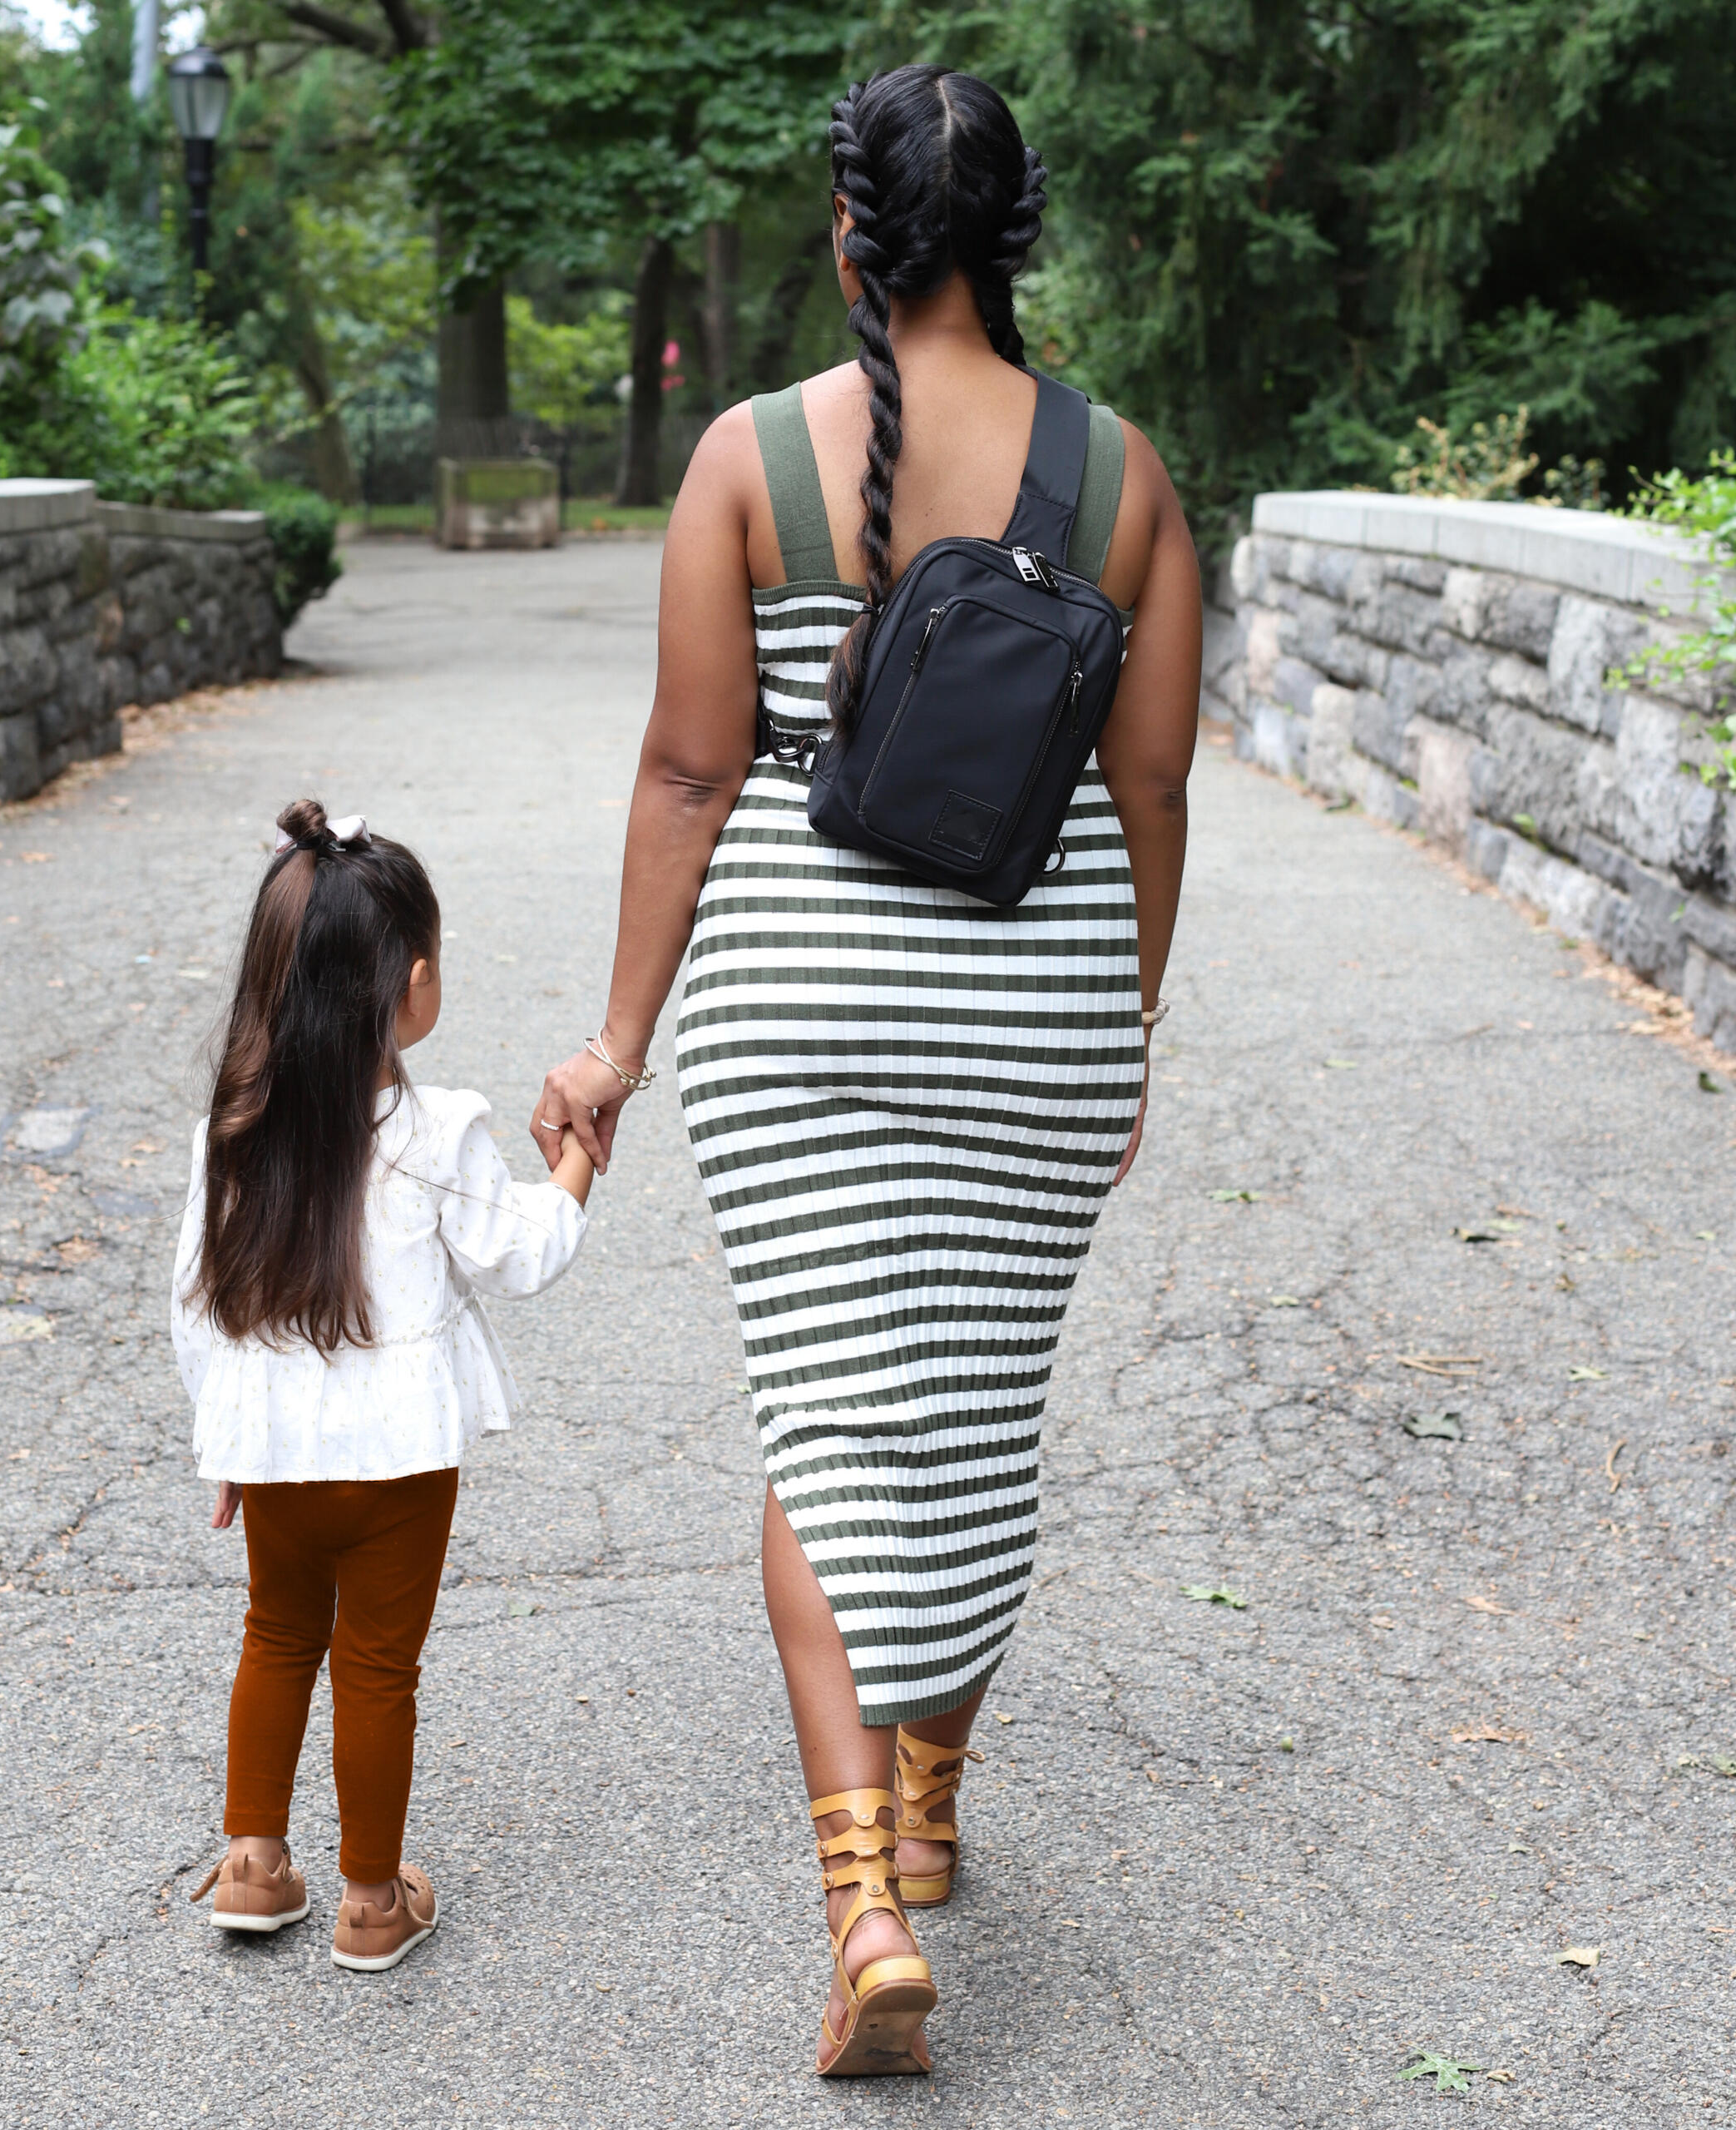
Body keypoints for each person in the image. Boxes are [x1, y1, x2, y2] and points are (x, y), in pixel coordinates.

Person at [533, 66, 1200, 2074]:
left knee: (829, 1423)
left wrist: (618, 1040)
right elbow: (1148, 777)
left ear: (848, 239)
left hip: (797, 1011)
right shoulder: (1123, 474)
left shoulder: (750, 456)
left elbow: (686, 766)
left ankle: (863, 1903)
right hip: (1035, 1005)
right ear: (1010, 245)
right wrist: (1125, 1021)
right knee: (977, 1413)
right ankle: (926, 1803)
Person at [172, 799, 596, 1970]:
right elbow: (523, 1254)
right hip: (400, 1459)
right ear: (412, 984)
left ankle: (252, 1865)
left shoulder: (235, 1130)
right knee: (375, 1665)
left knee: (274, 1636)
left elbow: (194, 1298)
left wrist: (223, 1446)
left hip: (275, 1452)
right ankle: (370, 1898)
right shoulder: (439, 1128)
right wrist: (576, 1161)